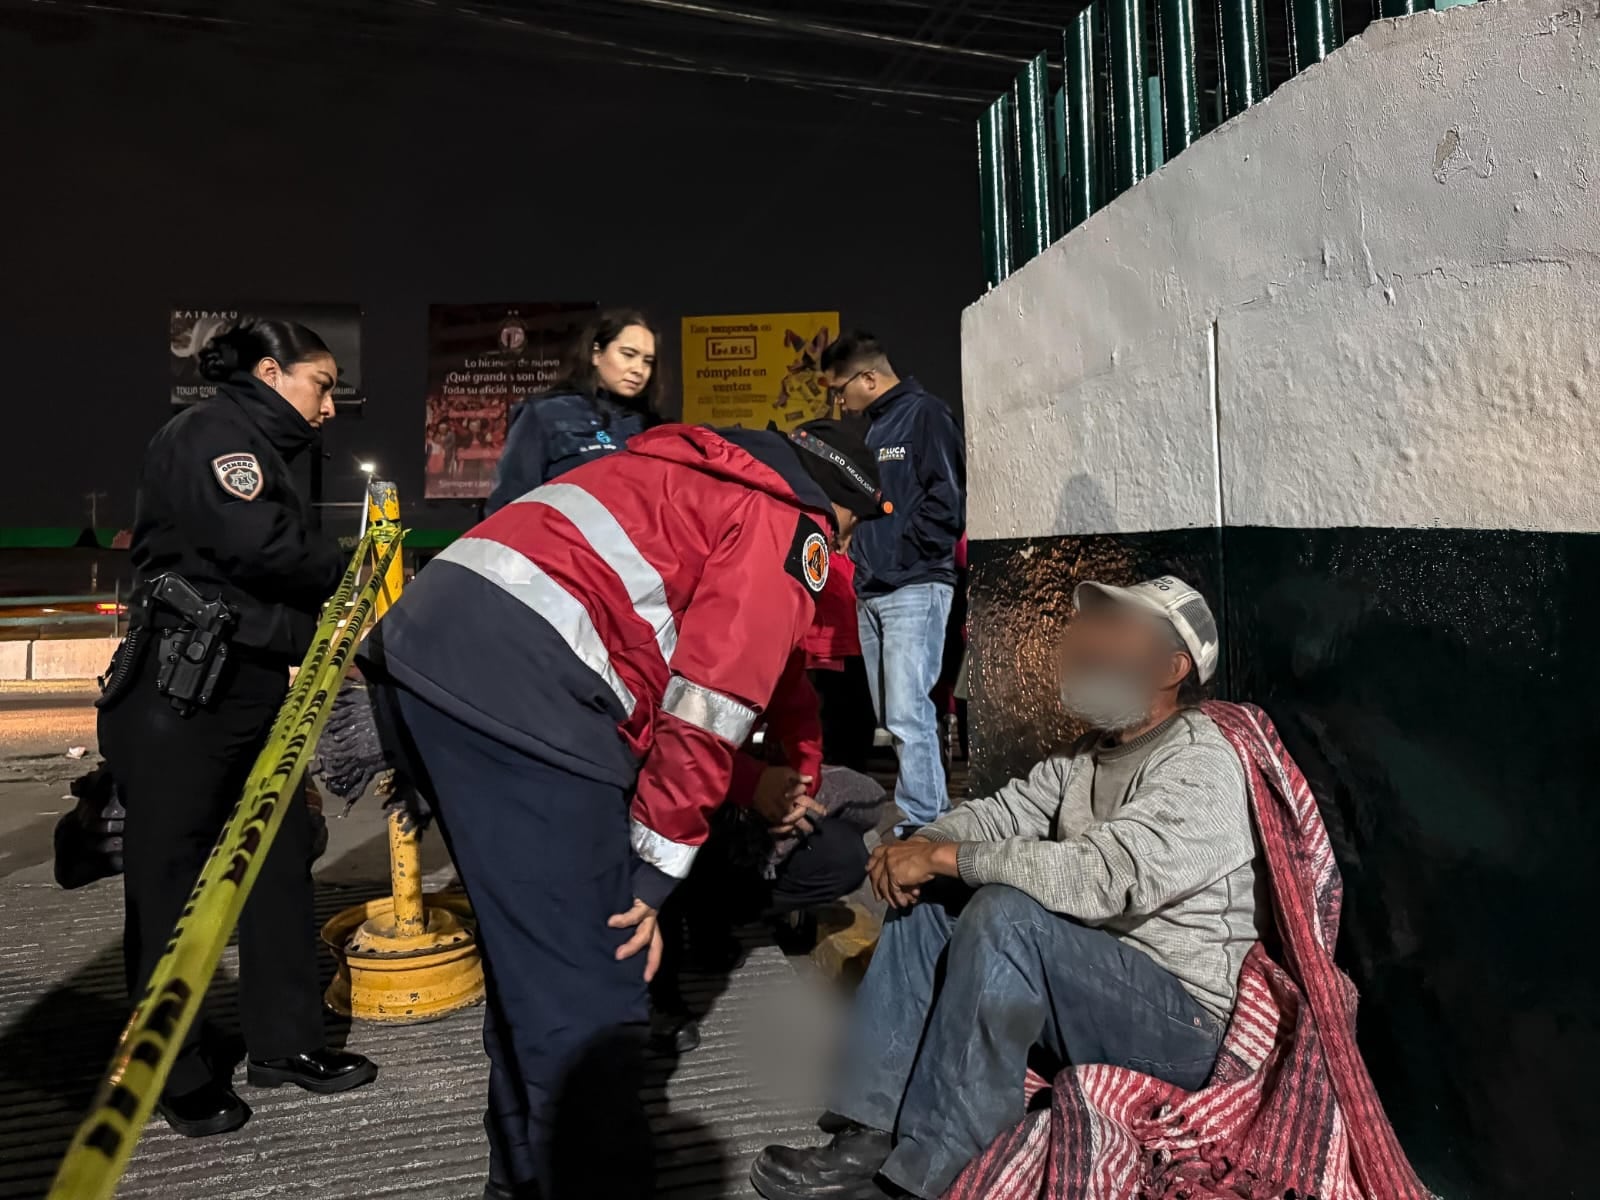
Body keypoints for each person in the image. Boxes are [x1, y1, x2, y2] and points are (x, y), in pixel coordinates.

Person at [359, 418, 890, 1200]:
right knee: (593, 1003)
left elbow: (768, 686)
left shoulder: (696, 474)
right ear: (842, 508)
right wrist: (651, 877)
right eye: (845, 536)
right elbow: (713, 702)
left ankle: (521, 1182)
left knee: (534, 974)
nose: (836, 555)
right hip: (524, 696)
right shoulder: (790, 523)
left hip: (424, 663)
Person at [752, 576, 1263, 1200]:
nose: (1087, 641)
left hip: (1178, 1024)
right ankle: (869, 1131)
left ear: (1169, 667)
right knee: (935, 897)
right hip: (1090, 986)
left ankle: (936, 1175)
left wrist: (942, 855)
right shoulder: (1088, 756)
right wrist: (917, 847)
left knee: (1003, 912)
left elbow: (1102, 875)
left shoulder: (1202, 764)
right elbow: (999, 814)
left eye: (1113, 631)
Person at [97, 319, 376, 1139]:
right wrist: (348, 570)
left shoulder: (263, 447)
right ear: (269, 370)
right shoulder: (215, 435)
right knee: (171, 884)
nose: (330, 405)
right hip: (179, 699)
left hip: (247, 688)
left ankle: (285, 1043)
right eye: (321, 383)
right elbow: (263, 548)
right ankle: (170, 1073)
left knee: (279, 859)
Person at [818, 332, 964, 832]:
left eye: (841, 390)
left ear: (869, 378)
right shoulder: (875, 429)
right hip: (874, 589)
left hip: (914, 586)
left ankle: (925, 824)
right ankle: (924, 815)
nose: (839, 401)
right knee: (893, 715)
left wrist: (904, 556)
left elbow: (948, 504)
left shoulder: (926, 416)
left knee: (907, 714)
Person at [484, 308, 661, 517]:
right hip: (560, 546)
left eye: (647, 361)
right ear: (596, 354)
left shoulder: (652, 428)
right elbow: (508, 505)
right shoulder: (546, 414)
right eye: (628, 355)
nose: (638, 369)